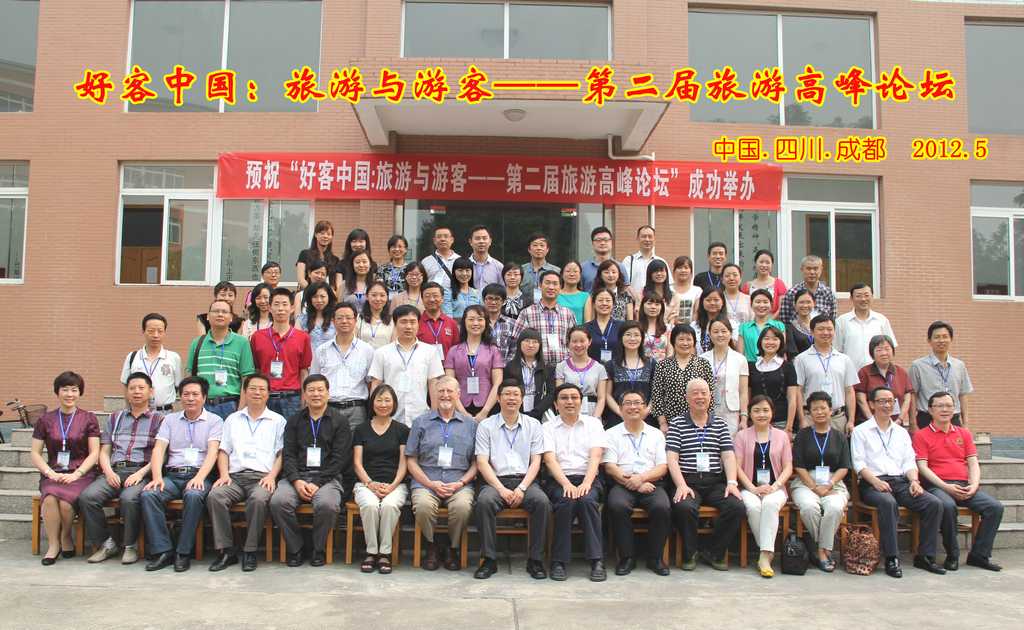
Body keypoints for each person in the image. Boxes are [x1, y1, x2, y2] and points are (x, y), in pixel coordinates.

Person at [852, 386, 945, 578]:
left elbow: (909, 461)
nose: (887, 405)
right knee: (888, 503)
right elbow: (858, 464)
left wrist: (914, 481)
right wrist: (875, 481)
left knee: (933, 503)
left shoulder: (901, 432)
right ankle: (892, 558)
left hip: (901, 482)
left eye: (890, 401)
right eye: (882, 401)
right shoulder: (861, 431)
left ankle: (925, 556)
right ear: (871, 404)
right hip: (872, 483)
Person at [914, 391, 1004, 572]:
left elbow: (973, 462)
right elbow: (922, 467)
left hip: (964, 485)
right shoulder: (921, 435)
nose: (945, 409)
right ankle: (952, 555)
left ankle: (979, 555)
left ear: (954, 409)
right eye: (940, 406)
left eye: (949, 405)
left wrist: (974, 485)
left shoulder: (964, 433)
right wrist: (946, 486)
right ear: (930, 410)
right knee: (947, 506)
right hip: (937, 486)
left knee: (995, 507)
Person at [141, 376, 222, 572]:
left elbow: (213, 453)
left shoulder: (215, 421)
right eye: (186, 394)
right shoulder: (170, 420)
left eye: (195, 394)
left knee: (193, 495)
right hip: (172, 475)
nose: (190, 398)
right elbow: (159, 449)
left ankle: (183, 552)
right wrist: (157, 477)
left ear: (204, 397)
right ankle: (163, 551)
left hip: (200, 475)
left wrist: (199, 477)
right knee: (149, 494)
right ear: (180, 397)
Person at [207, 373, 287, 572]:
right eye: (252, 388)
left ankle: (250, 551)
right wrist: (224, 475)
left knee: (258, 499)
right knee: (215, 496)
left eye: (262, 389)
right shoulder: (232, 419)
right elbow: (223, 451)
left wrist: (272, 476)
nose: (257, 392)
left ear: (268, 393)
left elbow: (281, 454)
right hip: (234, 477)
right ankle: (227, 551)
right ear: (244, 392)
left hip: (262, 478)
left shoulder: (278, 421)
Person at [81, 373, 164, 565]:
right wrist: (108, 472)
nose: (136, 392)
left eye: (141, 388)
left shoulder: (159, 420)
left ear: (151, 392)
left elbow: (161, 454)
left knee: (129, 498)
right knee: (87, 497)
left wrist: (140, 473)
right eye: (132, 388)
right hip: (114, 470)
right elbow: (104, 451)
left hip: (141, 472)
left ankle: (129, 545)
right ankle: (106, 543)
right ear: (126, 392)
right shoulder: (115, 417)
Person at [270, 374, 350, 568]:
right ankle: (296, 548)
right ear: (304, 395)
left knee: (328, 505)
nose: (316, 394)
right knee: (278, 502)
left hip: (327, 478)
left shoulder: (339, 421)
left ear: (328, 393)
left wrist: (318, 482)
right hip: (297, 476)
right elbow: (288, 454)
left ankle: (317, 548)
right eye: (311, 390)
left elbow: (339, 459)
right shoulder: (294, 420)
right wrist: (296, 481)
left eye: (320, 390)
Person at [473, 380, 551, 579]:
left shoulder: (533, 425)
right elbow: (482, 462)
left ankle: (535, 560)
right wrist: (501, 489)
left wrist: (522, 488)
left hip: (525, 481)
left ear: (522, 399)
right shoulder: (486, 425)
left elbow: (536, 461)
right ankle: (489, 560)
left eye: (516, 394)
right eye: (507, 394)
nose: (511, 398)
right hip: (495, 481)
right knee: (484, 502)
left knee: (542, 502)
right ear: (498, 398)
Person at [666, 379, 745, 571]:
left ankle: (714, 551)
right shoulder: (677, 423)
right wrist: (681, 485)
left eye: (704, 393)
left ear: (710, 397)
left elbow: (728, 456)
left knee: (736, 506)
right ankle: (690, 552)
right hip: (688, 481)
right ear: (686, 398)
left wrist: (732, 482)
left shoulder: (720, 423)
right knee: (684, 507)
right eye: (695, 393)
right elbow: (672, 459)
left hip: (714, 481)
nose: (700, 397)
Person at [406, 376, 478, 571]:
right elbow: (411, 459)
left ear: (458, 394)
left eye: (449, 391)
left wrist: (461, 483)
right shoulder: (420, 422)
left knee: (462, 507)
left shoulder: (471, 425)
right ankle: (431, 545)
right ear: (434, 395)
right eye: (441, 391)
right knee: (422, 506)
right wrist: (430, 484)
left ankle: (452, 547)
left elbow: (476, 462)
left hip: (459, 482)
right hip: (426, 481)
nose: (445, 395)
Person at [31, 371, 101, 565]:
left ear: (80, 392)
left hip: (81, 474)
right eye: (65, 389)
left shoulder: (89, 418)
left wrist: (77, 474)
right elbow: (35, 452)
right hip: (53, 473)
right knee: (50, 498)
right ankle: (54, 545)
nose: (70, 394)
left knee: (65, 503)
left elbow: (95, 452)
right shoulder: (45, 420)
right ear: (57, 392)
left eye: (74, 390)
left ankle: (66, 536)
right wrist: (49, 473)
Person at [543, 383, 608, 581]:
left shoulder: (594, 424)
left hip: (589, 477)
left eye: (574, 397)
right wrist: (566, 484)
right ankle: (558, 561)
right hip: (559, 479)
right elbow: (550, 460)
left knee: (587, 501)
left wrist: (587, 483)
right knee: (566, 501)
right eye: (564, 398)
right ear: (556, 404)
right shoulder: (547, 427)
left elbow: (596, 456)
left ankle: (597, 560)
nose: (569, 401)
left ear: (581, 402)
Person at [603, 390, 671, 576]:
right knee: (617, 506)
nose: (633, 407)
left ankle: (655, 558)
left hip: (651, 482)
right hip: (622, 483)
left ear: (645, 407)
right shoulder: (611, 434)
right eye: (628, 403)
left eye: (637, 403)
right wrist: (635, 483)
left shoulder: (656, 434)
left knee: (662, 507)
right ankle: (627, 558)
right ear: (620, 408)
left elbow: (662, 467)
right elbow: (610, 467)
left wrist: (641, 479)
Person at [790, 391, 851, 572]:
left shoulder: (839, 436)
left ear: (830, 410)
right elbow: (798, 465)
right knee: (809, 508)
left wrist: (829, 484)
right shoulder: (802, 435)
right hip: (806, 482)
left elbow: (844, 466)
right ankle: (823, 549)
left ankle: (819, 549)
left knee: (834, 508)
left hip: (833, 482)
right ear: (809, 413)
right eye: (815, 409)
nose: (819, 412)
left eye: (823, 408)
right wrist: (814, 486)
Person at [352, 385, 410, 574]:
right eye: (379, 400)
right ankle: (371, 552)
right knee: (370, 505)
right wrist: (370, 484)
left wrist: (392, 486)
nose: (383, 404)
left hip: (395, 484)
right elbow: (357, 463)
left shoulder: (402, 430)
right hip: (366, 484)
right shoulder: (361, 429)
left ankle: (384, 553)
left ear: (394, 404)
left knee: (389, 506)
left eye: (387, 400)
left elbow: (404, 464)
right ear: (372, 402)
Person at [734, 395, 792, 577]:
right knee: (752, 506)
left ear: (772, 412)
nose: (761, 414)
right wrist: (752, 488)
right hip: (749, 487)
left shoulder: (782, 436)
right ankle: (767, 551)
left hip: (776, 488)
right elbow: (736, 466)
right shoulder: (742, 436)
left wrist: (775, 486)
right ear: (750, 414)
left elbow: (788, 467)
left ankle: (764, 556)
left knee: (769, 503)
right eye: (756, 410)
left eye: (766, 410)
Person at [369, 304, 445, 426]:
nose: (408, 326)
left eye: (412, 322)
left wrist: (434, 415)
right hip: (390, 417)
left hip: (420, 415)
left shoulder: (430, 352)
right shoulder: (382, 352)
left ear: (418, 324)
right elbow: (376, 384)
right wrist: (375, 415)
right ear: (395, 324)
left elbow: (433, 384)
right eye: (403, 322)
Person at [186, 298, 256, 421]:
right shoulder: (197, 343)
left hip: (230, 404)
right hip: (202, 406)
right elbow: (189, 376)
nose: (220, 314)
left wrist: (240, 410)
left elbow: (246, 379)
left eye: (224, 312)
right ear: (208, 317)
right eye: (216, 311)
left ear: (231, 317)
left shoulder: (242, 343)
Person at [249, 288, 312, 420]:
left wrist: (304, 398)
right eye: (276, 304)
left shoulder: (303, 337)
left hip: (292, 398)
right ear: (270, 308)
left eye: (284, 304)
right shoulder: (257, 337)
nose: (280, 309)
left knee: (291, 433)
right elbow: (256, 369)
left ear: (292, 308)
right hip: (265, 397)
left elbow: (303, 371)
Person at [310, 303, 375, 430]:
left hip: (357, 409)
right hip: (328, 408)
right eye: (340, 318)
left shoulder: (367, 350)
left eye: (348, 317)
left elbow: (370, 383)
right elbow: (314, 380)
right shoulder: (322, 350)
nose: (344, 321)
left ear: (355, 320)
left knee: (355, 442)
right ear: (333, 321)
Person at [793, 315, 858, 433]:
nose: (825, 333)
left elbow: (849, 391)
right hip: (811, 418)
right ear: (812, 332)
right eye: (821, 329)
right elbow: (798, 391)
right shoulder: (801, 359)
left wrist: (851, 420)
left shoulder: (844, 359)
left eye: (829, 329)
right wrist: (802, 419)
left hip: (838, 418)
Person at [651, 325, 716, 434]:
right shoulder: (662, 365)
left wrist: (708, 421)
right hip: (671, 423)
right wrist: (663, 423)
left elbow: (711, 394)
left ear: (694, 342)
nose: (685, 343)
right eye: (681, 339)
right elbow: (657, 396)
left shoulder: (703, 364)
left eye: (689, 339)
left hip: (699, 422)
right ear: (673, 341)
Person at [445, 305, 505, 420]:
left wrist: (485, 411)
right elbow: (450, 384)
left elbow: (498, 383)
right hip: (459, 406)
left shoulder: (493, 350)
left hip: (488, 407)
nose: (475, 323)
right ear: (464, 322)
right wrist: (462, 412)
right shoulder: (453, 351)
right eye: (471, 319)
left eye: (480, 319)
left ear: (486, 323)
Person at [909, 321, 973, 429]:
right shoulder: (918, 366)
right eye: (937, 337)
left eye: (945, 337)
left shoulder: (959, 366)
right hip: (926, 419)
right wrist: (913, 424)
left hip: (953, 420)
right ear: (929, 340)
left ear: (951, 339)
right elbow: (912, 396)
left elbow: (963, 395)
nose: (941, 340)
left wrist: (965, 423)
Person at [512, 269, 576, 366]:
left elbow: (575, 342)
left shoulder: (568, 314)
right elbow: (516, 342)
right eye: (547, 283)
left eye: (555, 284)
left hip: (563, 368)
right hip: (536, 368)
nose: (551, 287)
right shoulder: (527, 313)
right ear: (540, 286)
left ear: (560, 288)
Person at [121, 312, 183, 412]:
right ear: (143, 331)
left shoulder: (174, 358)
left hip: (165, 413)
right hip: (138, 412)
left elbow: (178, 386)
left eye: (160, 331)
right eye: (151, 331)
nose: (155, 335)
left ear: (165, 332)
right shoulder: (132, 357)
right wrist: (129, 409)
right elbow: (125, 385)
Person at [700, 317, 749, 435]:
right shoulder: (702, 359)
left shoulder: (740, 359)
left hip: (731, 411)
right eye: (715, 332)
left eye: (724, 331)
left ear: (730, 333)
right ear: (709, 335)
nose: (720, 335)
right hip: (707, 410)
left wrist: (744, 418)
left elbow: (743, 392)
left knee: (730, 443)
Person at [747, 326, 799, 435]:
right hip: (756, 421)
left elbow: (792, 399)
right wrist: (747, 419)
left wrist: (789, 427)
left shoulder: (788, 367)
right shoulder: (751, 366)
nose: (770, 342)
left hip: (781, 422)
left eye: (775, 339)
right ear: (760, 342)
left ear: (781, 342)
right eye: (766, 338)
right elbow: (748, 396)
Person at [603, 321, 655, 429]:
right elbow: (607, 395)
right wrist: (621, 413)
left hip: (646, 419)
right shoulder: (611, 365)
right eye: (628, 334)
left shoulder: (651, 364)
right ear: (621, 338)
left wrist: (645, 411)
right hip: (618, 420)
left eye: (636, 335)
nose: (632, 338)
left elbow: (656, 392)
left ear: (642, 338)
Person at [855, 335, 914, 428]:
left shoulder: (901, 372)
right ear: (872, 353)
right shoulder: (864, 372)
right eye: (879, 350)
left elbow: (907, 398)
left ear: (893, 351)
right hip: (869, 425)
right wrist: (871, 420)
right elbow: (860, 399)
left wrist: (900, 420)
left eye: (887, 349)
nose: (884, 353)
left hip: (896, 424)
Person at [835, 284, 897, 368]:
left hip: (877, 373)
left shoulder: (882, 320)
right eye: (858, 296)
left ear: (872, 297)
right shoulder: (842, 321)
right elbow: (837, 350)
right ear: (851, 299)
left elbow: (890, 348)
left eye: (866, 295)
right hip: (851, 372)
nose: (863, 299)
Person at [556, 326, 609, 419]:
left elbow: (601, 398)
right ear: (569, 343)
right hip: (569, 409)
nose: (578, 345)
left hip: (592, 410)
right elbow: (559, 395)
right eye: (574, 341)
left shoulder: (599, 368)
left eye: (582, 341)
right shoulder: (561, 366)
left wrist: (595, 420)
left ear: (589, 342)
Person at [505, 328, 556, 421]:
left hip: (540, 415)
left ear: (540, 345)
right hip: (516, 414)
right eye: (527, 341)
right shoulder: (510, 367)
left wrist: (536, 412)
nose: (531, 345)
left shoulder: (547, 368)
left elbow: (551, 394)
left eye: (535, 342)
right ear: (519, 343)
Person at [778, 255, 837, 323]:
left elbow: (833, 321)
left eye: (815, 269)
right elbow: (784, 320)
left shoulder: (829, 294)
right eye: (808, 269)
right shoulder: (792, 293)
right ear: (802, 269)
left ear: (821, 269)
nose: (812, 272)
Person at [737, 289, 785, 363]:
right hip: (751, 367)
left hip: (774, 365)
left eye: (765, 302)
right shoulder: (744, 327)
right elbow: (740, 355)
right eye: (758, 302)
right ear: (751, 304)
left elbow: (782, 351)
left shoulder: (779, 325)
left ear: (771, 304)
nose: (762, 305)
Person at [418, 281, 461, 361]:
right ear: (422, 299)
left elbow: (457, 349)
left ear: (442, 299)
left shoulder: (451, 323)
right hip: (423, 366)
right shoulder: (416, 323)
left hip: (447, 367)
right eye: (427, 296)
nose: (431, 299)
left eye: (435, 296)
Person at [296, 220, 340, 292]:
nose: (325, 236)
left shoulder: (335, 260)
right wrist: (314, 291)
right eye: (322, 233)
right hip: (307, 293)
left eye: (328, 234)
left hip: (327, 296)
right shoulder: (304, 254)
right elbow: (301, 279)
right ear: (316, 234)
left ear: (332, 237)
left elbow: (334, 284)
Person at [740, 249, 787, 317]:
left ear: (772, 265)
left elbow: (781, 308)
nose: (764, 265)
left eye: (767, 263)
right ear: (755, 263)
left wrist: (769, 321)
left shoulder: (779, 283)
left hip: (772, 322)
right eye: (761, 262)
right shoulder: (747, 286)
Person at [622, 225, 666, 295]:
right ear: (637, 239)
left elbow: (668, 284)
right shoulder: (629, 261)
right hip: (633, 301)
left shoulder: (661, 262)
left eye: (650, 236)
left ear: (654, 239)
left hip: (655, 301)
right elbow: (623, 284)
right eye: (644, 236)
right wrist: (637, 299)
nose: (647, 239)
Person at [295, 280, 337, 352]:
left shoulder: (336, 319)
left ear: (329, 297)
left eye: (322, 296)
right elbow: (296, 343)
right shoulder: (301, 320)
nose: (319, 300)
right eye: (315, 297)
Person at [520, 233, 561, 303]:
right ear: (529, 249)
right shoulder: (521, 270)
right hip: (524, 308)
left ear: (547, 249)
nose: (539, 248)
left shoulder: (556, 271)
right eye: (535, 245)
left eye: (542, 245)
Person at [584, 288, 622, 363]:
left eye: (608, 300)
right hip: (591, 368)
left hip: (616, 368)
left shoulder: (621, 326)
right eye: (600, 300)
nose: (604, 303)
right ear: (594, 304)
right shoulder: (585, 328)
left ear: (613, 304)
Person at [482, 283, 517, 362]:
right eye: (490, 298)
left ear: (504, 301)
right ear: (484, 300)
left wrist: (503, 366)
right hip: (481, 367)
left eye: (497, 299)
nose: (493, 302)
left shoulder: (512, 324)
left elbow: (514, 350)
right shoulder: (477, 323)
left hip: (505, 367)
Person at [581, 226, 623, 292]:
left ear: (611, 243)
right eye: (598, 240)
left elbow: (624, 289)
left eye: (606, 240)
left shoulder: (620, 266)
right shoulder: (583, 267)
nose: (602, 243)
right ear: (592, 243)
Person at [355, 281, 395, 349]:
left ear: (387, 297)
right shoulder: (358, 319)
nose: (378, 299)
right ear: (367, 296)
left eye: (382, 295)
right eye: (374, 295)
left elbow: (394, 346)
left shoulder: (393, 320)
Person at [667, 255, 703, 326]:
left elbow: (696, 313)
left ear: (691, 272)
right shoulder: (667, 289)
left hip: (690, 328)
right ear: (674, 271)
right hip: (669, 327)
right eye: (679, 268)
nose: (683, 270)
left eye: (686, 268)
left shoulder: (697, 291)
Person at [420, 225, 460, 290]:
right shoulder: (425, 261)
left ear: (452, 240)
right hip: (431, 295)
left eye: (446, 236)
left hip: (454, 295)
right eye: (439, 237)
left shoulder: (459, 260)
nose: (442, 239)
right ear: (434, 240)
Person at [692, 287, 729, 353]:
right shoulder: (694, 325)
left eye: (716, 300)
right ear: (702, 302)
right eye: (708, 300)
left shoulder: (731, 324)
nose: (712, 303)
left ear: (723, 302)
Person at [467, 224, 503, 289]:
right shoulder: (464, 265)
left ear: (490, 241)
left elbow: (503, 290)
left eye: (484, 238)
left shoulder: (499, 267)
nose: (481, 241)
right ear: (470, 242)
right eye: (477, 238)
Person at [784, 287, 816, 358]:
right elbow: (792, 354)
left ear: (814, 304)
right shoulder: (789, 328)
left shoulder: (818, 325)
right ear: (795, 305)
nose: (805, 305)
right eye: (801, 302)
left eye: (808, 302)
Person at [638, 290, 670, 361]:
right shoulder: (636, 327)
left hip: (662, 366)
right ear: (642, 306)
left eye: (657, 304)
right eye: (649, 303)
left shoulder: (668, 328)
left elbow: (670, 354)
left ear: (661, 308)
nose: (653, 307)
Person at [721, 263, 752, 328]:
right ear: (722, 280)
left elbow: (752, 321)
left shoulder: (748, 299)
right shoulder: (718, 299)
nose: (731, 278)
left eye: (735, 275)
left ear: (740, 279)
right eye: (727, 276)